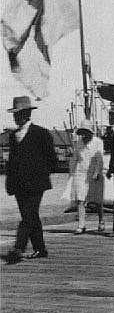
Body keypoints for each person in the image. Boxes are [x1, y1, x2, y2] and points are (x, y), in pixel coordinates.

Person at [3, 96, 57, 264]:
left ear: (26, 114)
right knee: (31, 215)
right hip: (18, 185)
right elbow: (12, 162)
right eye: (14, 114)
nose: (15, 117)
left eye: (17, 114)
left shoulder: (41, 133)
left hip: (36, 183)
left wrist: (40, 173)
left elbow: (52, 159)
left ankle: (18, 248)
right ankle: (40, 249)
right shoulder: (13, 136)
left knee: (28, 216)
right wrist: (9, 183)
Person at [68, 119, 105, 234]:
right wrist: (71, 172)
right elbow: (75, 158)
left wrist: (96, 172)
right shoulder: (78, 143)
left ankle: (101, 220)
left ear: (90, 132)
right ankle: (81, 224)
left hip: (93, 173)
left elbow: (99, 159)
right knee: (80, 200)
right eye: (82, 132)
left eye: (86, 132)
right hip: (80, 173)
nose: (83, 135)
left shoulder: (98, 142)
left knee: (97, 200)